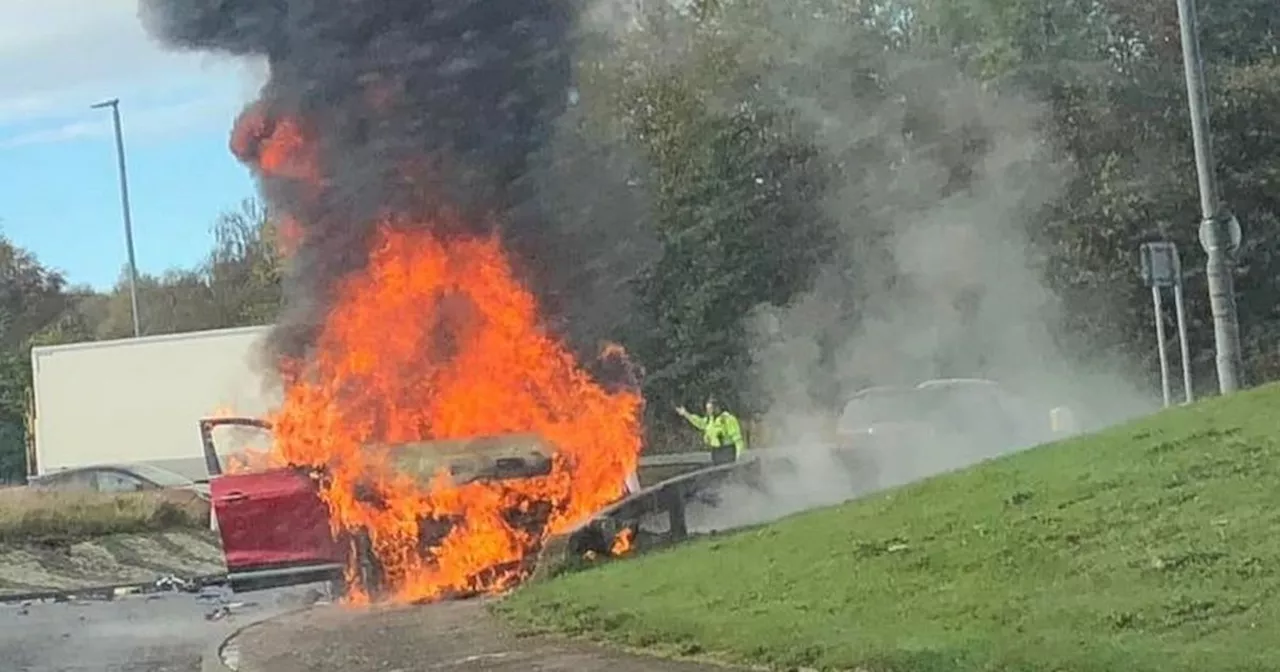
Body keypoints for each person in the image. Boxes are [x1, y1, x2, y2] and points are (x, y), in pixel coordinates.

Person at [675, 395, 747, 465]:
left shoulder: (728, 419)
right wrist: (686, 414)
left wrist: (739, 455)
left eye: (710, 408)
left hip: (727, 451)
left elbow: (737, 439)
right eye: (707, 409)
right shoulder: (709, 419)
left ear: (717, 407)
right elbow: (699, 423)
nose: (708, 411)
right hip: (716, 452)